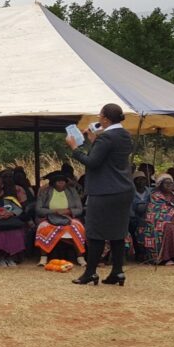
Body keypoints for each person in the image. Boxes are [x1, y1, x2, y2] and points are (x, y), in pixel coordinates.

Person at [67, 103, 135, 286]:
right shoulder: (125, 136)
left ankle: (90, 273)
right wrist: (94, 141)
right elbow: (108, 157)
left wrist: (75, 148)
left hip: (105, 191)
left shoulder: (106, 138)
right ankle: (118, 272)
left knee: (95, 232)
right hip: (124, 190)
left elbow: (93, 162)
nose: (98, 118)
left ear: (105, 118)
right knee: (118, 232)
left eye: (100, 116)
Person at [34, 173, 87, 267]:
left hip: (69, 217)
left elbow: (79, 209)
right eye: (59, 182)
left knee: (78, 227)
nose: (61, 184)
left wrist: (68, 211)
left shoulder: (72, 192)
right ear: (53, 183)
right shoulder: (45, 192)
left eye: (63, 182)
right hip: (49, 218)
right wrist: (54, 211)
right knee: (42, 227)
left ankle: (80, 258)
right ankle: (43, 258)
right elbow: (38, 209)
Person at [139, 173, 174, 263]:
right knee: (168, 228)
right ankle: (168, 256)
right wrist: (173, 213)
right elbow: (155, 212)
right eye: (166, 183)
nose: (169, 185)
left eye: (171, 183)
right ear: (160, 184)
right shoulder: (155, 196)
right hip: (163, 220)